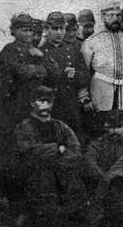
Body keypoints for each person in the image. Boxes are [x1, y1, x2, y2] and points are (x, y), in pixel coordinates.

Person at [11, 86, 99, 227]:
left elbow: (75, 148)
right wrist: (58, 149)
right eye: (41, 101)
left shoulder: (61, 126)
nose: (45, 105)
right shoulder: (25, 127)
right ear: (32, 103)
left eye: (49, 102)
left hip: (62, 170)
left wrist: (57, 158)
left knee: (76, 178)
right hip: (36, 173)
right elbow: (30, 152)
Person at [81, 2, 123, 124]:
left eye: (118, 15)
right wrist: (84, 97)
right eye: (110, 15)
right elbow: (84, 71)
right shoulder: (91, 42)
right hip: (100, 96)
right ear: (102, 16)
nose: (115, 19)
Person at [0, 14, 60, 135]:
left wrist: (41, 56)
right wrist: (41, 70)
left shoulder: (37, 50)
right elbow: (19, 70)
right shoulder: (9, 50)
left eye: (30, 30)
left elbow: (55, 72)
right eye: (24, 30)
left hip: (35, 102)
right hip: (15, 101)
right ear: (14, 31)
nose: (28, 34)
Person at [39, 11, 91, 140]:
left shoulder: (73, 51)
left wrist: (75, 74)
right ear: (47, 30)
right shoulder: (40, 52)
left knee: (73, 139)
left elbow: (86, 77)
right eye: (54, 29)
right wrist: (61, 74)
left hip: (71, 104)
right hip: (50, 105)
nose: (58, 32)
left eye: (61, 29)